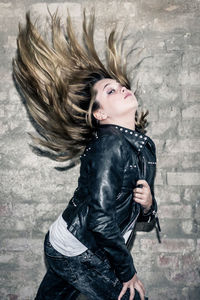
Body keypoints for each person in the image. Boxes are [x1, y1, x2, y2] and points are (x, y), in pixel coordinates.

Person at [13, 9, 160, 300]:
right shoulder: (110, 146)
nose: (122, 89)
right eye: (110, 91)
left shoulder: (141, 145)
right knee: (132, 297)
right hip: (76, 247)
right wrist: (128, 273)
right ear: (100, 113)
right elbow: (101, 220)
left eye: (120, 86)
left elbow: (134, 212)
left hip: (68, 241)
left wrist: (149, 206)